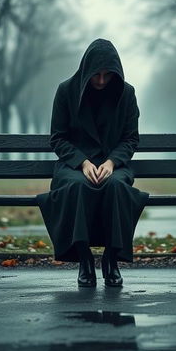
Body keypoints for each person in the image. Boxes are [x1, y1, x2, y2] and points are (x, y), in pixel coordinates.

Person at [36, 38, 149, 287]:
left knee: (116, 187)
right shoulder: (66, 90)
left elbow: (130, 138)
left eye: (107, 75)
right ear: (86, 70)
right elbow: (58, 137)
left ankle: (111, 258)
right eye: (96, 75)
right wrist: (83, 163)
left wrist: (111, 162)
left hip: (114, 165)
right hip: (73, 165)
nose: (100, 81)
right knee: (78, 187)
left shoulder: (126, 93)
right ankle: (84, 258)